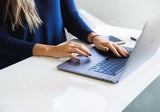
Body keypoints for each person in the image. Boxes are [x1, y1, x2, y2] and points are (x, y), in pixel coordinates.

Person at [0, 0, 128, 69]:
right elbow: (2, 40)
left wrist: (95, 38)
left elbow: (70, 16)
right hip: (19, 68)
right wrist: (49, 50)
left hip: (55, 62)